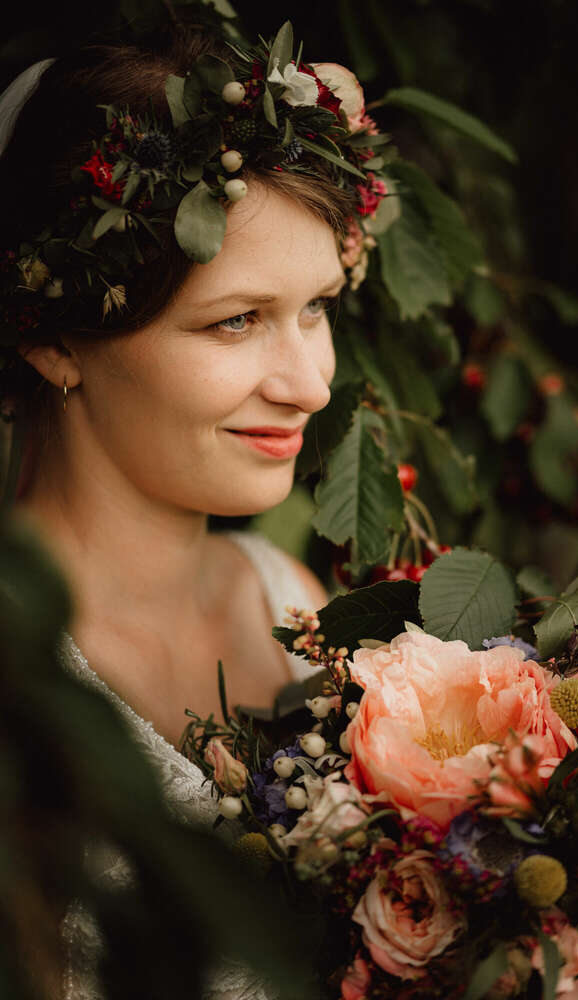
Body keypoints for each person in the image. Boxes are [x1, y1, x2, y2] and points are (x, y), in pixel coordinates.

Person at [0, 14, 392, 998]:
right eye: (236, 322)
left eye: (315, 308)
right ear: (50, 336)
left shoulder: (291, 604)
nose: (309, 382)